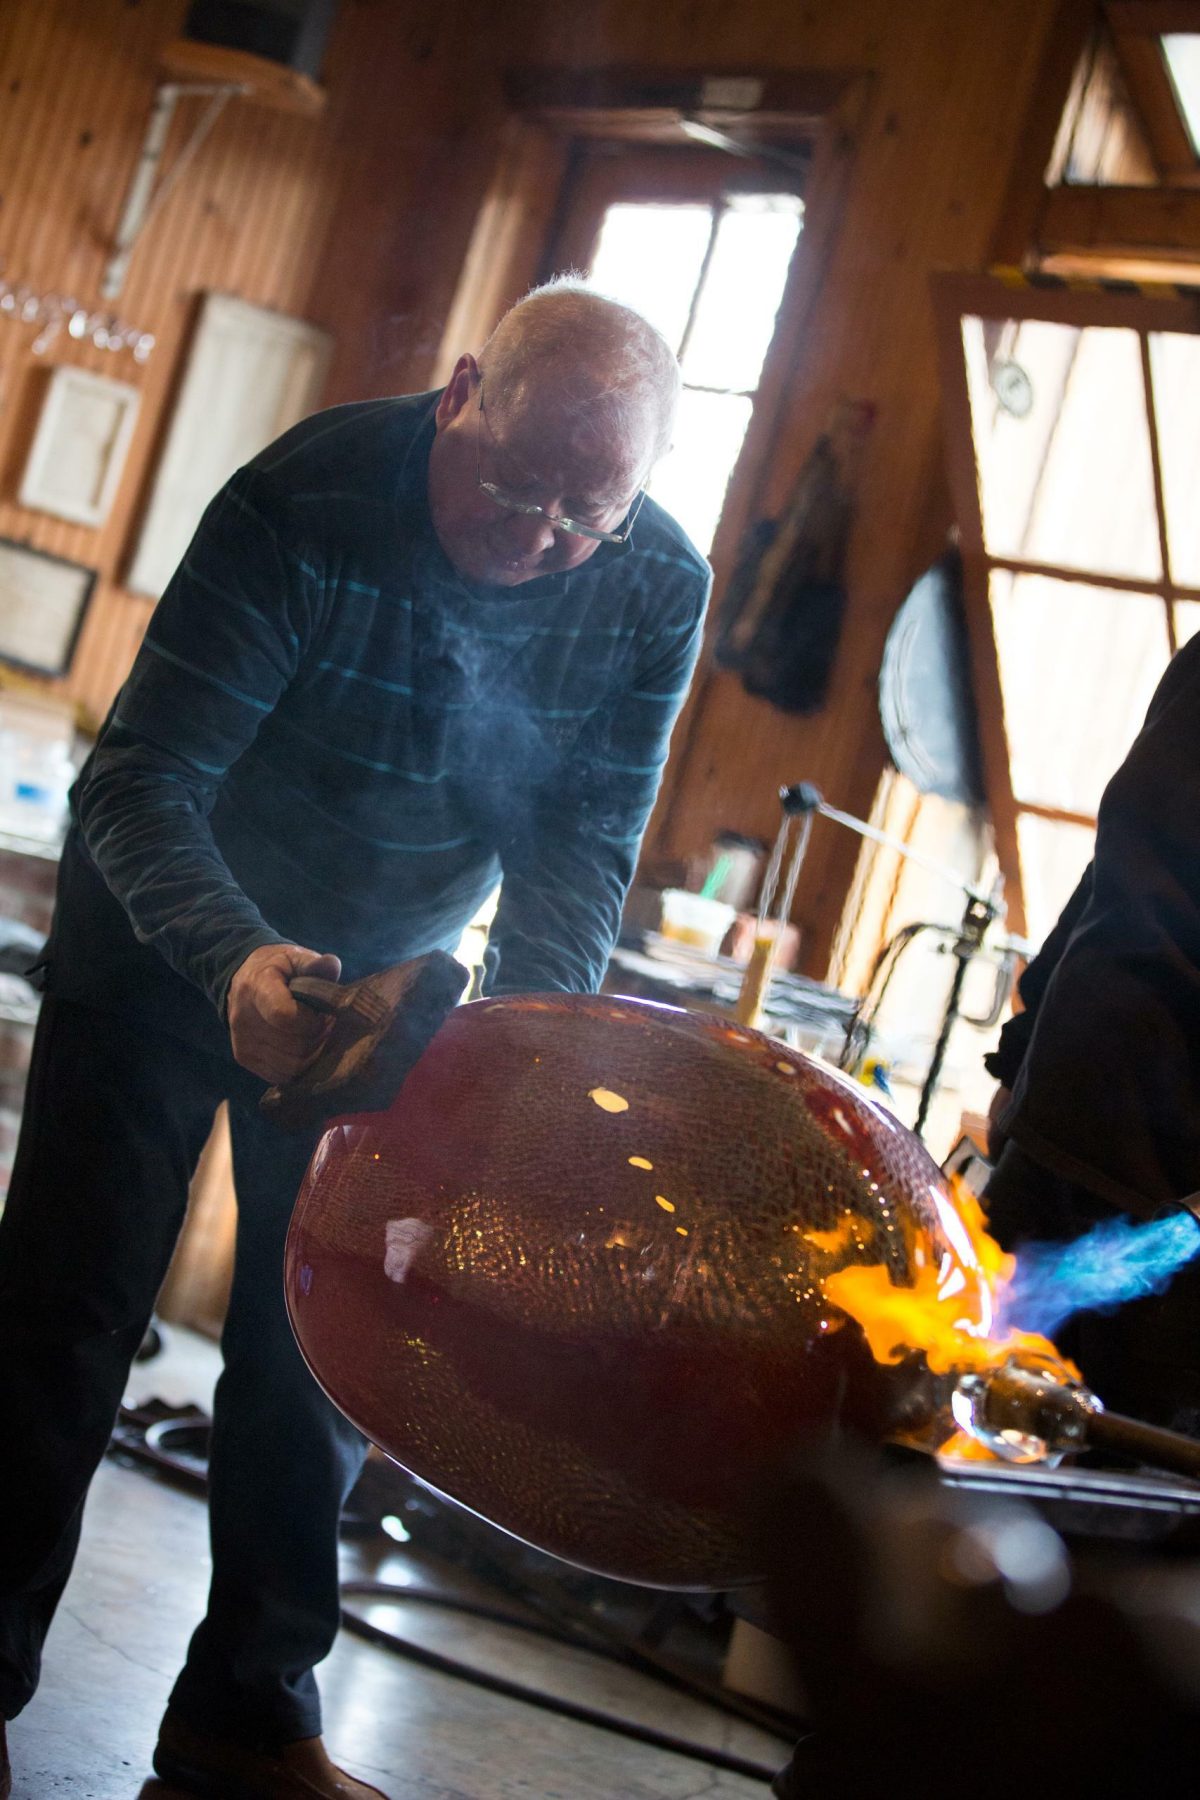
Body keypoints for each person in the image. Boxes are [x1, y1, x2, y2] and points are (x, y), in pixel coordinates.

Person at [0, 279, 711, 1800]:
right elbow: (134, 782)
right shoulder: (306, 500)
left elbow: (584, 847)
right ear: (460, 392)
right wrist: (235, 953)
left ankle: (244, 1722)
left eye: (587, 517)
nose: (541, 541)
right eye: (516, 488)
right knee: (67, 1315)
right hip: (169, 936)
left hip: (387, 982)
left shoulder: (650, 582)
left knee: (322, 1356)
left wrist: (508, 1043)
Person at [983, 629, 1200, 1435]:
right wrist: (1022, 1045)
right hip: (1054, 1135)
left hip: (1170, 1209)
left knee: (1097, 1496)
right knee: (932, 1424)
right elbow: (1111, 866)